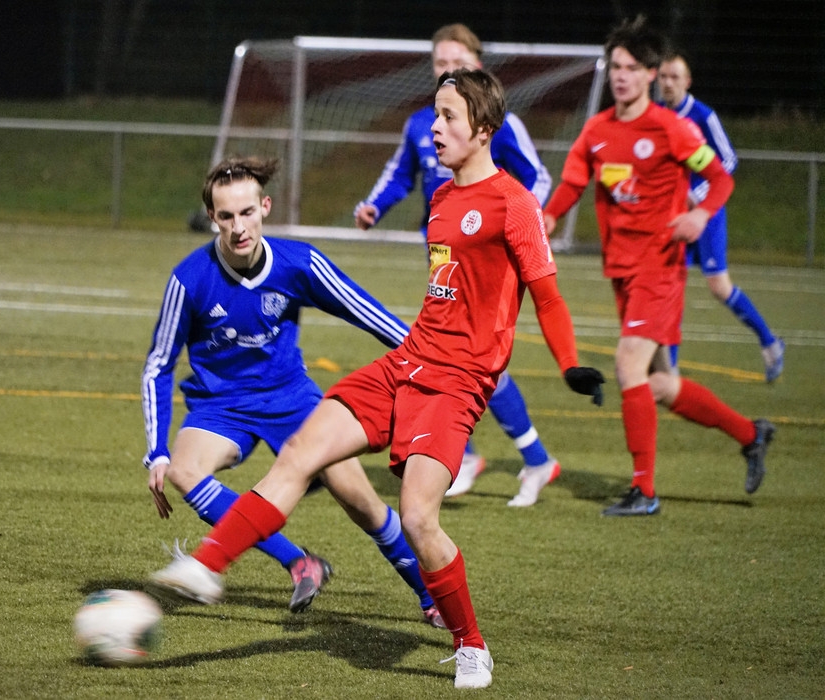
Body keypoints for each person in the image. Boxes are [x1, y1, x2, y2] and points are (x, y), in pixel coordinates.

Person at [151, 69, 606, 689]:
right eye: (434, 113)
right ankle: (208, 566)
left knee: (418, 517)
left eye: (447, 116)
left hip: (456, 383)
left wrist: (570, 363)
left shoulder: (514, 203)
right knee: (301, 453)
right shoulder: (441, 200)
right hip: (407, 363)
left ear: (483, 129)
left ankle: (470, 644)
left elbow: (547, 296)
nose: (433, 128)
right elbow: (445, 297)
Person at [142, 155, 445, 627]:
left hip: (292, 400)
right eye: (227, 216)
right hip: (220, 406)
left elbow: (366, 312)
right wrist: (156, 451)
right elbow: (159, 364)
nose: (239, 227)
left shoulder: (299, 263)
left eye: (247, 212)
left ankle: (431, 598)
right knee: (183, 469)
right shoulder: (190, 278)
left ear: (265, 207)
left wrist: (433, 363)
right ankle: (300, 562)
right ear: (212, 217)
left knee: (362, 503)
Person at [541, 16, 776, 517]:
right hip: (622, 271)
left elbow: (720, 179)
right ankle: (751, 434)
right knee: (659, 384)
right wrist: (549, 216)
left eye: (631, 68)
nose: (621, 76)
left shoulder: (672, 129)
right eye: (616, 67)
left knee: (628, 364)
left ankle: (644, 491)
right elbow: (573, 182)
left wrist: (700, 214)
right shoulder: (597, 130)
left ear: (651, 73)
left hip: (661, 268)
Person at [354, 22, 560, 506]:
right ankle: (489, 457)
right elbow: (399, 175)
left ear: (477, 66)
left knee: (469, 360)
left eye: (457, 62)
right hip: (443, 260)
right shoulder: (421, 125)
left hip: (489, 263)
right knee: (448, 359)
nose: (446, 69)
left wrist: (526, 225)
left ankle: (516, 458)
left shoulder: (493, 124)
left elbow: (537, 177)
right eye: (440, 63)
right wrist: (374, 207)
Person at [656, 50, 785, 382]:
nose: (668, 83)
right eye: (663, 77)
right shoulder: (655, 114)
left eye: (674, 77)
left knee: (718, 286)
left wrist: (698, 196)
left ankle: (770, 342)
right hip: (674, 217)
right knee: (670, 288)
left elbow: (728, 160)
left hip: (706, 214)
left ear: (687, 81)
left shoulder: (702, 115)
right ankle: (670, 370)